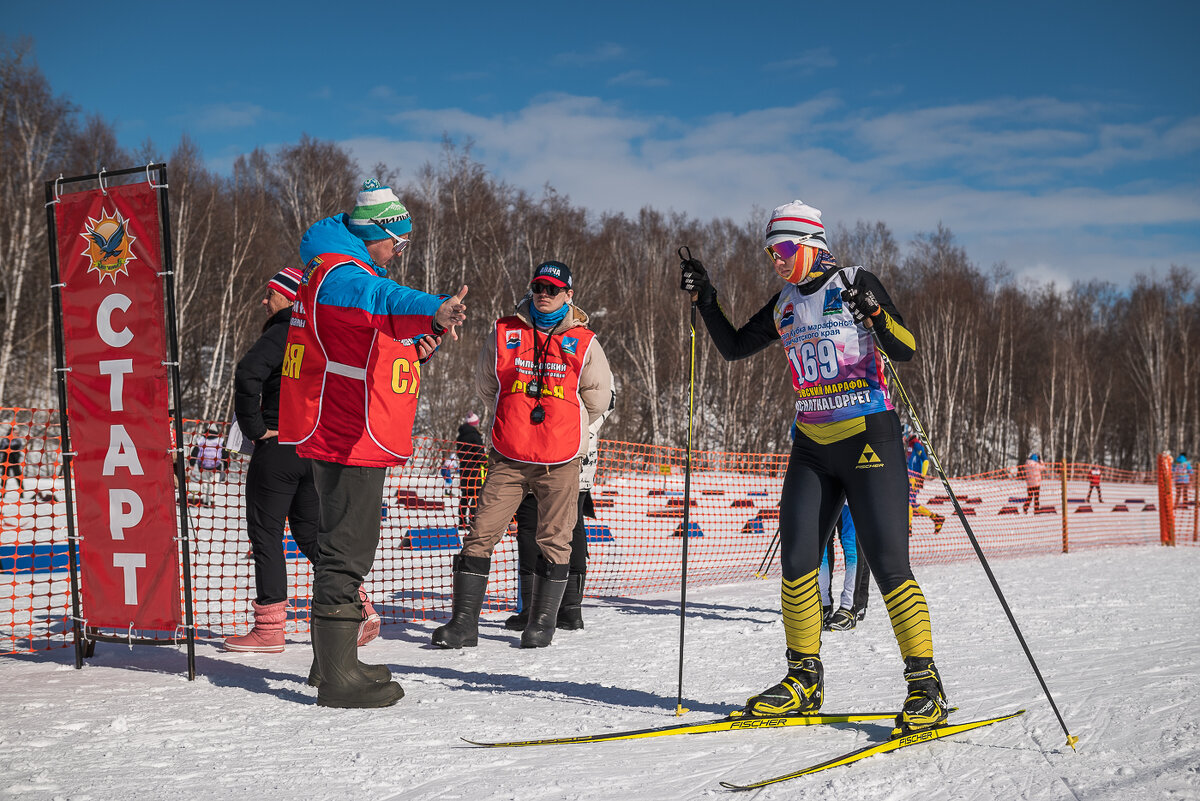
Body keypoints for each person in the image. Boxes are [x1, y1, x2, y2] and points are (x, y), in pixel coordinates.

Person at [679, 199, 949, 736]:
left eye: (781, 249)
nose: (774, 260)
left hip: (869, 434)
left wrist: (875, 311)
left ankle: (925, 685)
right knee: (799, 558)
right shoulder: (783, 305)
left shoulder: (852, 281)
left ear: (810, 245)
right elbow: (733, 347)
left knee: (889, 562)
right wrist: (706, 299)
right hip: (811, 444)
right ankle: (803, 678)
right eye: (769, 251)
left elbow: (907, 347)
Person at [278, 179, 467, 708]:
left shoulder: (335, 270)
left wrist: (415, 346)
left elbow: (364, 340)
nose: (399, 252)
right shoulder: (342, 273)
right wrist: (433, 308)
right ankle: (339, 677)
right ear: (376, 233)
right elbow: (380, 299)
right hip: (348, 433)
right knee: (348, 548)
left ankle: (328, 664)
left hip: (345, 426)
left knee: (341, 543)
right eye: (398, 242)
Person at [433, 260, 612, 650]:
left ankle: (542, 623)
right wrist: (514, 417)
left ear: (568, 294)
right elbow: (487, 385)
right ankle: (463, 624)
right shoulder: (504, 331)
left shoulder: (585, 341)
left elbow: (597, 399)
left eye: (552, 289)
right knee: (481, 534)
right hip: (508, 456)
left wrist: (563, 423)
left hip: (560, 459)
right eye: (538, 287)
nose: (544, 295)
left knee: (555, 538)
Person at [225, 267, 381, 655]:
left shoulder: (284, 330)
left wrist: (256, 427)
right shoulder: (326, 334)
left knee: (266, 535)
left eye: (270, 294)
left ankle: (268, 630)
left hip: (278, 447)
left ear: (289, 297)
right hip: (313, 451)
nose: (265, 301)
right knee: (313, 535)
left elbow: (247, 373)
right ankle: (358, 603)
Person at [504, 384, 615, 632]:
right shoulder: (592, 355)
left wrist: (569, 422)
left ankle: (538, 609)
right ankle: (568, 609)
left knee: (532, 524)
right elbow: (606, 400)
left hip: (551, 447)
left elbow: (604, 401)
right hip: (577, 450)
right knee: (571, 525)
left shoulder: (574, 352)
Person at [818, 505, 870, 631]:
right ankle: (823, 605)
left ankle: (850, 607)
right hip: (825, 490)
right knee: (822, 542)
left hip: (852, 490)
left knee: (851, 540)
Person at [906, 432, 945, 534]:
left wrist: (922, 476)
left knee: (908, 502)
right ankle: (936, 518)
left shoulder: (916, 444)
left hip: (915, 479)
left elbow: (926, 460)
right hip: (910, 478)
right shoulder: (910, 445)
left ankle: (908, 527)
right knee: (912, 503)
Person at [455, 412, 485, 528]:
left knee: (465, 495)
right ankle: (473, 520)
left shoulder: (460, 436)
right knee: (476, 495)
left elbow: (459, 454)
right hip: (474, 470)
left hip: (464, 469)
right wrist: (485, 463)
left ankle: (462, 521)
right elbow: (479, 453)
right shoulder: (475, 436)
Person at [187, 424, 230, 506]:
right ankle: (213, 501)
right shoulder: (220, 440)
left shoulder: (201, 439)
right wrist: (226, 466)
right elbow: (225, 454)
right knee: (214, 484)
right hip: (216, 466)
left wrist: (192, 464)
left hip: (203, 465)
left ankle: (205, 501)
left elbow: (195, 452)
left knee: (205, 484)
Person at [0, 426, 26, 500]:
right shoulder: (5, 440)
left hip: (15, 461)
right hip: (6, 461)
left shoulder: (18, 440)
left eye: (17, 433)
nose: (16, 434)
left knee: (18, 477)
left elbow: (20, 449)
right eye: (15, 432)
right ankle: (3, 493)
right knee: (4, 478)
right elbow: (1, 449)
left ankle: (22, 493)